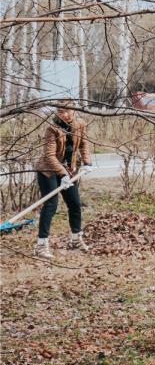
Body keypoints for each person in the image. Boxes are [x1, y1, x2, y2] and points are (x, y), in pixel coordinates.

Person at [34, 104, 94, 259]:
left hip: (68, 170)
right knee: (51, 205)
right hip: (49, 170)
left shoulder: (80, 124)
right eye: (60, 112)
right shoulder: (52, 129)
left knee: (74, 204)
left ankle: (75, 240)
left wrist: (87, 162)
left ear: (73, 111)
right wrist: (62, 174)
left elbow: (83, 144)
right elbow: (49, 156)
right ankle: (41, 246)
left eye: (67, 111)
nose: (64, 115)